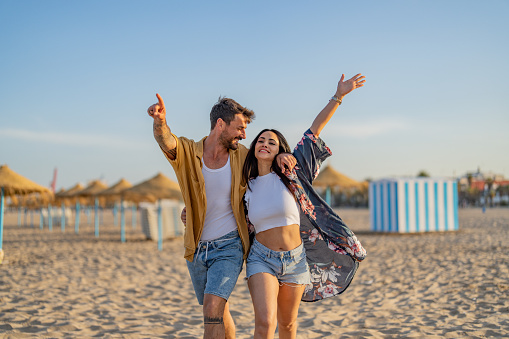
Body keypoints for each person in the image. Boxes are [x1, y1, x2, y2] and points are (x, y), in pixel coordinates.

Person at [147, 95, 295, 339]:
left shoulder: (243, 156)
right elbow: (166, 141)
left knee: (212, 308)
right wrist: (160, 122)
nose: (244, 135)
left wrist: (280, 156)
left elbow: (267, 158)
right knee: (219, 310)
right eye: (239, 128)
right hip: (196, 248)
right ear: (220, 124)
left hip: (229, 245)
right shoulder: (188, 152)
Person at [242, 73, 368, 339]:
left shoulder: (293, 173)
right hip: (261, 258)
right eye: (261, 140)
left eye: (272, 142)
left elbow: (314, 131)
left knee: (288, 326)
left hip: (296, 260)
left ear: (280, 150)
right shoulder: (244, 184)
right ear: (254, 148)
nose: (265, 144)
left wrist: (339, 96)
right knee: (265, 323)